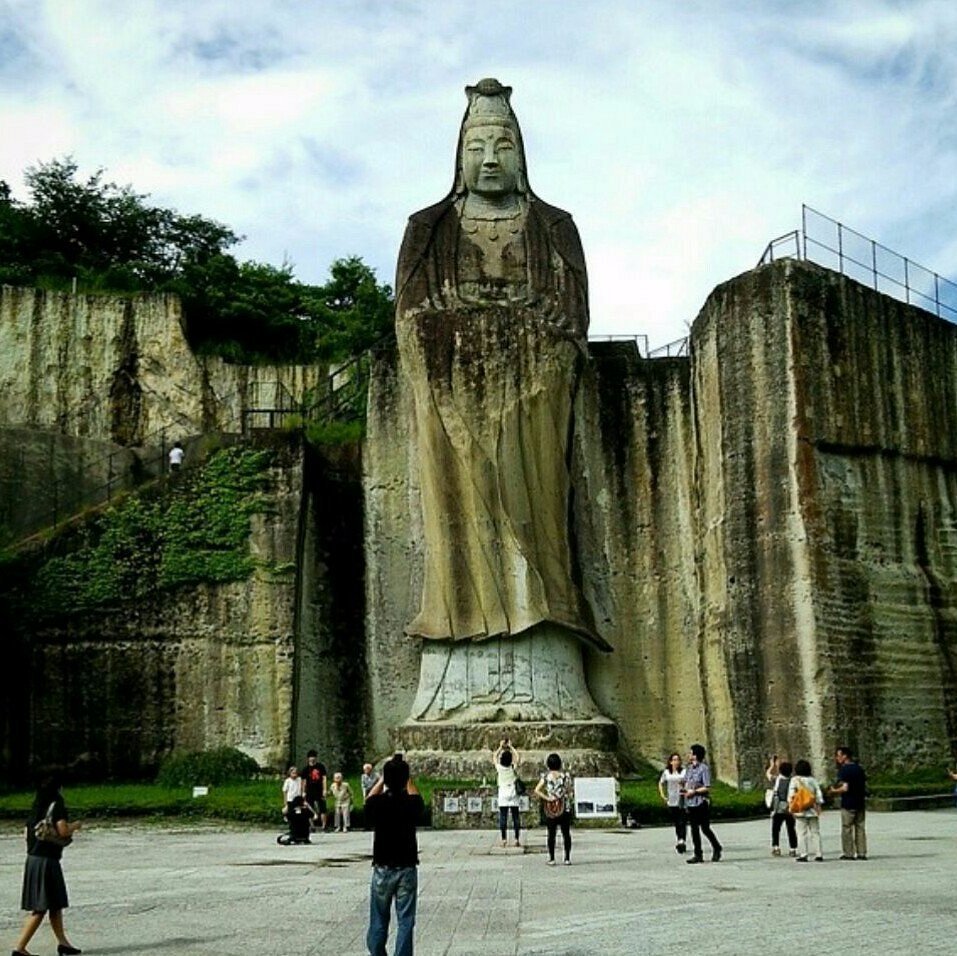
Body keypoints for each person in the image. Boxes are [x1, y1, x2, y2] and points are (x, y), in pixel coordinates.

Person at [396, 77, 611, 724]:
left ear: (521, 154)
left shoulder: (553, 227)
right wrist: (465, 334)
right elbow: (409, 318)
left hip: (533, 397)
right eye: (477, 146)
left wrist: (521, 336)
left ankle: (548, 663)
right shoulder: (427, 227)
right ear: (458, 157)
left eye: (503, 145)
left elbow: (573, 321)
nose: (490, 159)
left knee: (537, 516)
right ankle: (455, 663)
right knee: (458, 524)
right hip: (453, 395)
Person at [12, 773, 82, 956]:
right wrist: (76, 825)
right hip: (47, 861)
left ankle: (63, 943)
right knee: (41, 907)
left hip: (34, 859)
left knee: (55, 904)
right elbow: (63, 830)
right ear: (58, 787)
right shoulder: (56, 805)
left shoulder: (37, 807)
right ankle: (19, 948)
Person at [364, 755, 424, 956]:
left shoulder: (378, 804)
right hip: (406, 867)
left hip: (382, 868)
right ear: (406, 779)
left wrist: (382, 779)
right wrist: (407, 778)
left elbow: (369, 800)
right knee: (406, 920)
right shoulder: (410, 803)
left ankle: (377, 952)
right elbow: (417, 799)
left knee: (379, 919)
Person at [680, 744, 722, 863]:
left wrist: (694, 791)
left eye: (691, 753)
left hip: (701, 802)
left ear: (695, 755)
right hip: (691, 803)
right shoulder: (688, 769)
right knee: (694, 829)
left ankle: (717, 847)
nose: (689, 755)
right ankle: (698, 854)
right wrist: (683, 787)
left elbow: (707, 787)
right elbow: (687, 782)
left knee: (705, 828)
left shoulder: (704, 768)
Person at [533, 752, 573, 866]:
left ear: (548, 764)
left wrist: (548, 798)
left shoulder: (546, 777)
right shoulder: (565, 776)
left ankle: (552, 858)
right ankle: (567, 858)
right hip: (563, 806)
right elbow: (569, 790)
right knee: (566, 833)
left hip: (550, 807)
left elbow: (537, 790)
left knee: (551, 834)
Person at [829, 746, 867, 860]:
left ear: (845, 756)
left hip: (848, 802)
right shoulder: (859, 768)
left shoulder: (844, 770)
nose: (837, 758)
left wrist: (834, 791)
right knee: (860, 828)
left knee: (847, 828)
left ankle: (848, 853)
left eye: (838, 755)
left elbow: (845, 787)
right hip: (860, 801)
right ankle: (862, 852)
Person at [787, 759, 825, 862]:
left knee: (801, 833)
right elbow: (818, 794)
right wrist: (819, 805)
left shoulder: (795, 780)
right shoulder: (812, 780)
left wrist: (791, 806)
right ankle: (819, 854)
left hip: (800, 810)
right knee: (815, 832)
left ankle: (803, 854)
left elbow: (791, 795)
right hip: (812, 809)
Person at [765, 756, 798, 857]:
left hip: (778, 808)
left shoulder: (777, 780)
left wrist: (772, 765)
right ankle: (793, 849)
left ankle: (776, 847)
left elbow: (768, 774)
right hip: (789, 808)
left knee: (776, 829)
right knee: (791, 829)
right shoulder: (793, 781)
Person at [493, 738, 522, 847]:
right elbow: (517, 757)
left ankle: (504, 839)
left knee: (503, 817)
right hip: (513, 793)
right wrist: (511, 747)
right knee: (515, 817)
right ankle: (516, 839)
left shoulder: (499, 768)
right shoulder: (512, 767)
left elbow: (494, 757)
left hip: (503, 793)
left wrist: (500, 747)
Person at [657, 752, 687, 854]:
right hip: (671, 798)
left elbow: (687, 782)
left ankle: (682, 840)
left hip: (682, 799)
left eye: (678, 760)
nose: (676, 762)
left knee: (682, 820)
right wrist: (662, 795)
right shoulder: (666, 772)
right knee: (676, 822)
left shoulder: (683, 772)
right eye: (674, 760)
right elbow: (661, 783)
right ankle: (679, 838)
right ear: (670, 762)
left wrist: (684, 786)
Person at [300, 750, 328, 832]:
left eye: (314, 757)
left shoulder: (320, 767)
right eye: (311, 757)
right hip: (309, 790)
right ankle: (312, 826)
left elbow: (324, 778)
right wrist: (303, 791)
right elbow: (304, 782)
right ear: (308, 759)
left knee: (323, 808)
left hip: (319, 789)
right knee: (309, 808)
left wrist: (325, 789)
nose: (312, 759)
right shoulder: (305, 769)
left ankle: (324, 826)